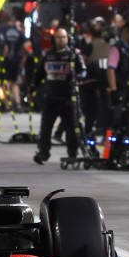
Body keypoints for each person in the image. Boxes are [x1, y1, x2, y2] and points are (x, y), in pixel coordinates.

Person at [34, 28, 86, 166]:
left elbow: (83, 71)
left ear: (68, 39)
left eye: (63, 37)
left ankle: (72, 153)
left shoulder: (73, 55)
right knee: (45, 128)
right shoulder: (48, 55)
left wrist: (78, 78)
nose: (61, 40)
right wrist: (32, 88)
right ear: (54, 39)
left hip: (68, 97)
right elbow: (39, 74)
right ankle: (43, 153)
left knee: (71, 127)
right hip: (50, 97)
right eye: (58, 37)